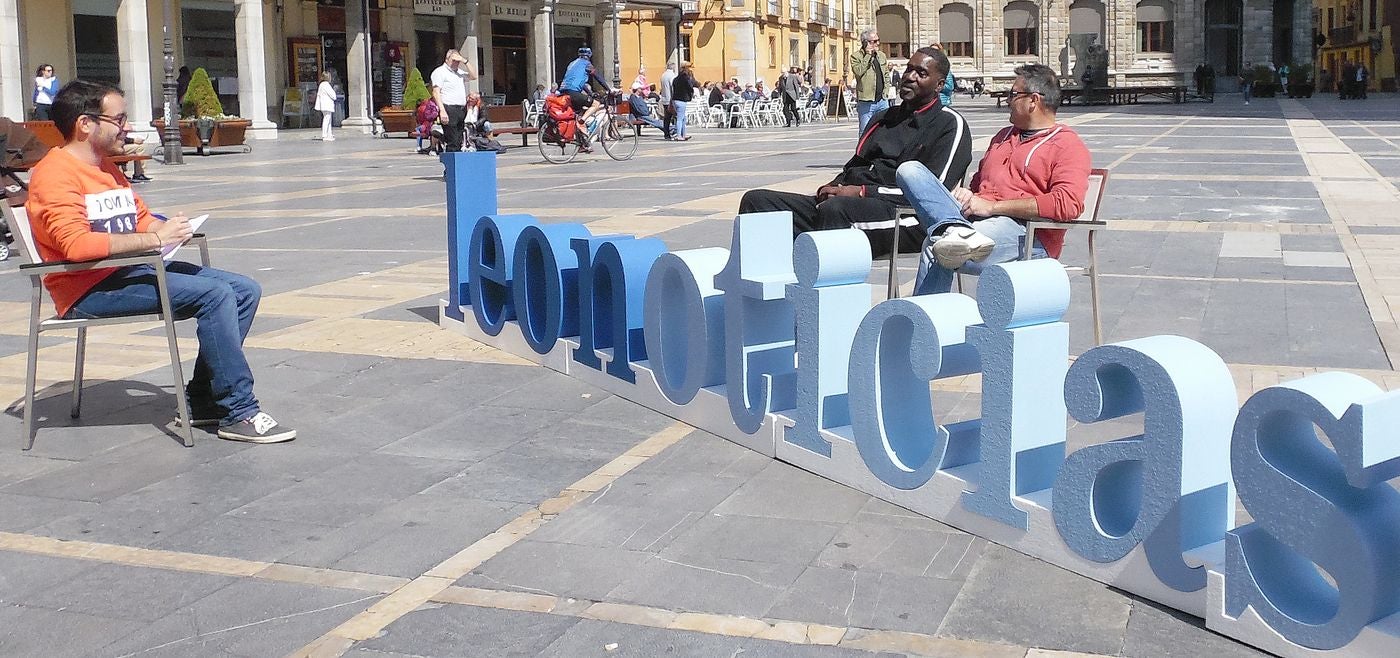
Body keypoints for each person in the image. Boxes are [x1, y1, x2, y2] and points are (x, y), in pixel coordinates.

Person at [26, 80, 296, 443]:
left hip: (127, 271)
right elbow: (75, 246)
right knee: (215, 295)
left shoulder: (107, 168)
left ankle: (202, 400)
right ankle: (240, 410)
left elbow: (139, 218)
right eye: (119, 118)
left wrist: (167, 227)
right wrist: (154, 239)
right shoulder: (55, 174)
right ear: (85, 124)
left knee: (244, 289)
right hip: (86, 287)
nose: (127, 126)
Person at [738, 48, 971, 256]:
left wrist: (862, 192)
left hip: (910, 217)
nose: (910, 77)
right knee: (758, 203)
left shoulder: (949, 124)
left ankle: (827, 296)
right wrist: (831, 188)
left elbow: (933, 195)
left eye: (921, 73)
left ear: (939, 85)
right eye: (909, 69)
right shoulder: (883, 119)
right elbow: (853, 168)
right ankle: (769, 293)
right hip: (852, 202)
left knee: (836, 211)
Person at [896, 63, 1090, 296]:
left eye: (1013, 94)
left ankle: (925, 324)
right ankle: (956, 230)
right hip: (976, 221)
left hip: (1025, 234)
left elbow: (1067, 204)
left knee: (939, 244)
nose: (1008, 100)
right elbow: (980, 186)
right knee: (909, 171)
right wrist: (970, 194)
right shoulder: (1003, 137)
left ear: (1033, 101)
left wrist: (994, 207)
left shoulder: (1067, 145)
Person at [431, 49, 478, 152]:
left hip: (460, 109)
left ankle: (456, 162)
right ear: (447, 59)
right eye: (453, 60)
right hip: (449, 108)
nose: (456, 63)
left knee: (459, 139)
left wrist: (464, 61)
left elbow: (474, 76)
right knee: (452, 140)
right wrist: (442, 110)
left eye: (458, 61)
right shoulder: (440, 72)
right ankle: (451, 163)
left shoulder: (459, 73)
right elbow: (436, 92)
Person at [559, 47, 612, 128]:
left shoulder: (572, 63)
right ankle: (581, 121)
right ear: (589, 56)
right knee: (596, 104)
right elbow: (597, 77)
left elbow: (581, 83)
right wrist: (608, 89)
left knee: (580, 110)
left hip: (563, 92)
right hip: (573, 92)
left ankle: (580, 133)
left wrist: (590, 93)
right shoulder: (586, 64)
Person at [850, 28, 890, 133]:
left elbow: (886, 74)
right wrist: (868, 56)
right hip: (866, 102)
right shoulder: (856, 56)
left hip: (882, 100)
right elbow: (858, 72)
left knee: (885, 130)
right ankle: (863, 150)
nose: (878, 43)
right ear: (866, 42)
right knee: (865, 132)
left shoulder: (881, 55)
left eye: (878, 40)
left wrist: (886, 92)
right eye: (875, 41)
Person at [670, 61, 696, 141]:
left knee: (683, 118)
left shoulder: (675, 79)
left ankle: (683, 134)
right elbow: (690, 87)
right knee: (680, 118)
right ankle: (679, 135)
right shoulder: (686, 78)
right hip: (682, 100)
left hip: (675, 99)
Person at [314, 70, 336, 141]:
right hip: (327, 105)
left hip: (323, 105)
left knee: (328, 119)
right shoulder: (326, 85)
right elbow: (333, 95)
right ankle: (325, 135)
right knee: (327, 119)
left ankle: (329, 134)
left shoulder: (321, 85)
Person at [659, 62, 677, 140]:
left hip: (664, 98)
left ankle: (666, 134)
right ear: (673, 67)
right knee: (676, 116)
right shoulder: (672, 76)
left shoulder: (663, 75)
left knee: (667, 118)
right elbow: (673, 87)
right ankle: (676, 132)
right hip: (670, 99)